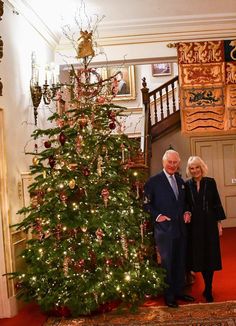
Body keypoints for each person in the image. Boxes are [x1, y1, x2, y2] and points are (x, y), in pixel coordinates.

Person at [143, 149, 194, 308]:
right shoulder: (153, 181)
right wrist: (158, 216)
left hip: (180, 229)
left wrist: (187, 211)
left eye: (175, 162)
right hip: (164, 230)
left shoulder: (180, 181)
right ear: (163, 162)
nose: (172, 165)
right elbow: (145, 204)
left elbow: (185, 202)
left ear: (178, 164)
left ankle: (179, 291)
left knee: (180, 261)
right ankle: (169, 295)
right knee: (168, 264)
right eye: (169, 162)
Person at [185, 156, 226, 302]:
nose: (195, 170)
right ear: (189, 170)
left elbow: (216, 202)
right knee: (200, 256)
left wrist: (219, 223)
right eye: (192, 168)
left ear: (201, 167)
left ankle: (208, 288)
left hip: (209, 224)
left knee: (211, 255)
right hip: (194, 226)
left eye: (197, 167)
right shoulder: (187, 184)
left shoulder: (210, 182)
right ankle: (206, 285)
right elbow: (186, 205)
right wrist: (187, 212)